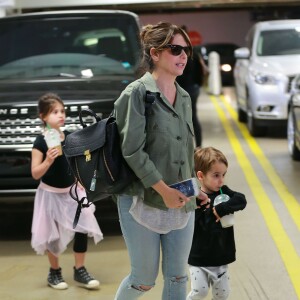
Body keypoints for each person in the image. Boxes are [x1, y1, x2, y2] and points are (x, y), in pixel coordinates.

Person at [113, 22, 209, 300]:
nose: (183, 56)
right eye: (176, 49)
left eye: (186, 50)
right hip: (142, 198)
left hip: (181, 199)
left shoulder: (185, 97)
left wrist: (195, 188)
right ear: (155, 54)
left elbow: (183, 150)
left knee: (178, 277)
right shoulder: (136, 94)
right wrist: (165, 191)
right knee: (142, 280)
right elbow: (132, 152)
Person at [31, 92, 103, 290]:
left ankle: (80, 269)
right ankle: (54, 272)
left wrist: (81, 180)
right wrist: (48, 160)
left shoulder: (71, 137)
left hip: (72, 191)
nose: (61, 115)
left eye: (62, 111)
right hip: (50, 194)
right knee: (52, 233)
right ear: (43, 117)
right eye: (55, 112)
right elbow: (36, 173)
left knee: (82, 224)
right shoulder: (41, 142)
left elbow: (77, 163)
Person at [187, 147, 247, 300]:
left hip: (220, 257)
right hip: (198, 258)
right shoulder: (194, 198)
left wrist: (221, 209)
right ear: (200, 175)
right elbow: (192, 223)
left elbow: (241, 200)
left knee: (223, 295)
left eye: (223, 175)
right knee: (199, 291)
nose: (221, 180)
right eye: (216, 175)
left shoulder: (224, 193)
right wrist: (203, 210)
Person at [176, 25, 207, 147]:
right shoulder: (194, 51)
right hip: (193, 88)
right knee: (193, 117)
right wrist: (197, 85)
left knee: (183, 118)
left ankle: (187, 147)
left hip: (185, 88)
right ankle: (198, 146)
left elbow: (180, 73)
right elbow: (202, 70)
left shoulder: (179, 52)